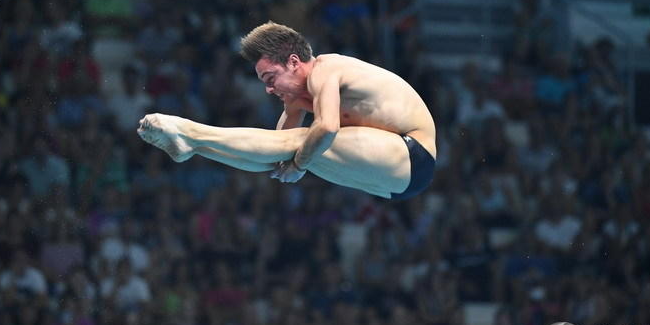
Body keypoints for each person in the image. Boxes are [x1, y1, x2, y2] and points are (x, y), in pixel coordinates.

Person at [137, 22, 436, 200]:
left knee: (306, 142)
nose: (269, 90)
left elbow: (328, 128)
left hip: (412, 154)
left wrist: (301, 164)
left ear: (294, 62)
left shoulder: (325, 71)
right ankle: (194, 148)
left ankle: (190, 132)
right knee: (285, 155)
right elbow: (278, 154)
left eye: (271, 79)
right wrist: (295, 164)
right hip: (391, 181)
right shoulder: (296, 97)